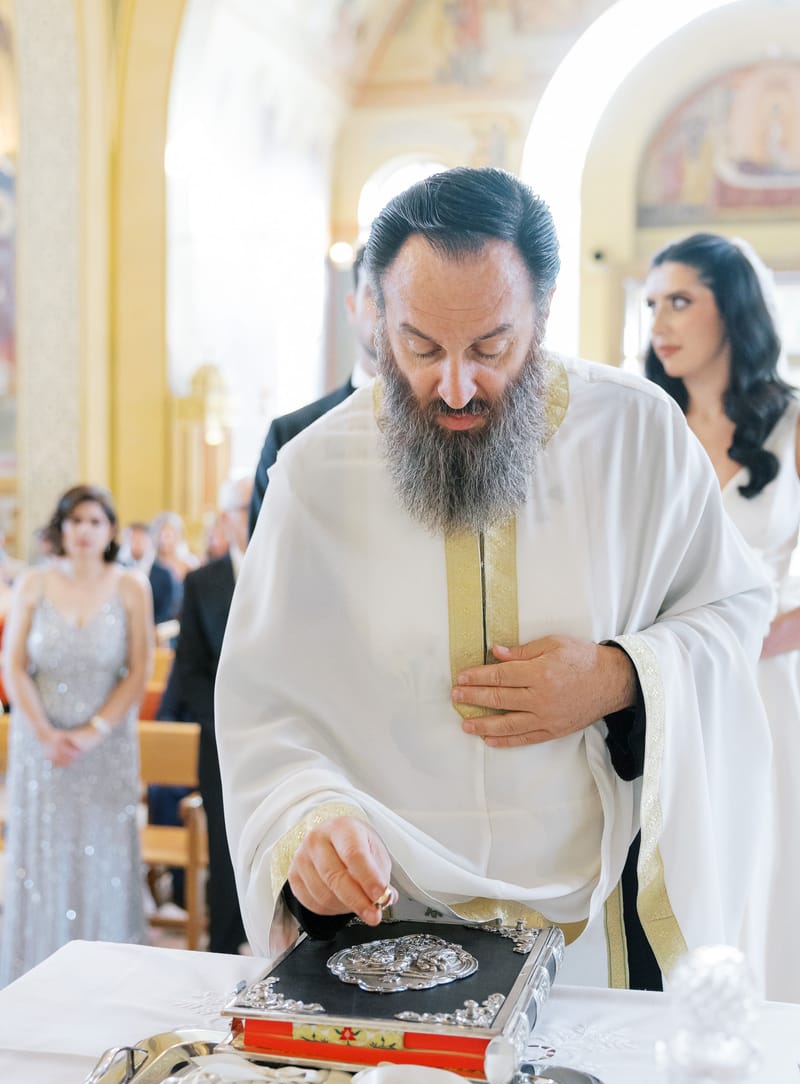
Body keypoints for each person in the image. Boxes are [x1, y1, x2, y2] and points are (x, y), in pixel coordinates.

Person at [217, 167, 772, 990]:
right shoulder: (314, 473)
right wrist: (309, 822)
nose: (454, 386)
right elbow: (265, 711)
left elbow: (734, 609)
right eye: (420, 348)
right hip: (385, 921)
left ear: (542, 314)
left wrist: (618, 675)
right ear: (378, 316)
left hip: (595, 924)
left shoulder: (639, 434)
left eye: (490, 348)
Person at [645, 232, 800, 1002]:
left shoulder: (791, 424)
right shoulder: (647, 426)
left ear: (732, 309)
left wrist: (745, 640)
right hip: (666, 686)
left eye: (680, 301)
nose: (659, 324)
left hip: (762, 683)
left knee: (761, 866)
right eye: (651, 304)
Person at [0, 484, 154, 984]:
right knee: (43, 858)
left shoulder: (131, 586)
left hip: (106, 748)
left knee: (102, 855)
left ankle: (106, 976)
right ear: (61, 528)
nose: (85, 531)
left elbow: (139, 670)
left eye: (95, 521)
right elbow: (14, 665)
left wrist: (93, 732)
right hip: (39, 746)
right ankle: (34, 975)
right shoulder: (33, 582)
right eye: (76, 520)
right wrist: (46, 733)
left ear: (110, 530)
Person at [173, 475, 253, 953]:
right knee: (226, 852)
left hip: (288, 736)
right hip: (220, 740)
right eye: (246, 505)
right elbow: (190, 668)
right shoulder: (202, 582)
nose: (257, 510)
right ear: (225, 518)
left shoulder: (290, 569)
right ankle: (224, 948)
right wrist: (228, 725)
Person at [248, 244, 378, 535]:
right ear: (352, 306)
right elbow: (264, 555)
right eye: (374, 294)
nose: (387, 309)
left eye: (397, 295)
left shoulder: (446, 428)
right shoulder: (290, 436)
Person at [118, 520, 180, 624]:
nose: (135, 543)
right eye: (131, 539)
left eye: (140, 539)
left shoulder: (164, 574)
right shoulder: (118, 570)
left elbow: (167, 612)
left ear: (150, 541)